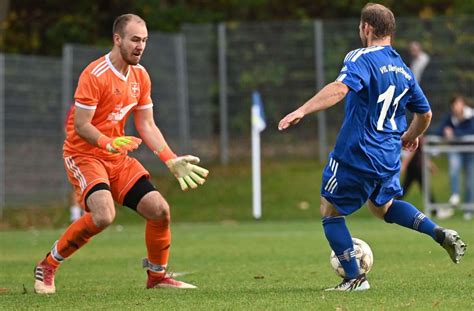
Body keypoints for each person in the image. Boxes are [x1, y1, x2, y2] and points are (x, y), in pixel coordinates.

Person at [278, 3, 467, 291]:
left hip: (357, 152)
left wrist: (302, 110)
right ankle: (438, 232)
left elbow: (340, 89)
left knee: (330, 211)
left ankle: (354, 278)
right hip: (388, 153)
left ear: (366, 28)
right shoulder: (403, 70)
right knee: (383, 207)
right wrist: (410, 135)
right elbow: (425, 114)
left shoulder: (361, 57)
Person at [34, 14, 209, 294]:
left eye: (145, 41)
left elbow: (147, 125)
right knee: (103, 215)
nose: (140, 46)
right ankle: (48, 265)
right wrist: (106, 143)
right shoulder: (94, 74)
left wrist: (171, 159)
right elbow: (81, 125)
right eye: (135, 40)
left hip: (116, 157)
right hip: (85, 155)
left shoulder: (141, 76)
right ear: (118, 39)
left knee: (159, 210)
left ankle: (157, 277)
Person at [438, 95, 474, 220]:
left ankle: (468, 210)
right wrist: (445, 131)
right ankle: (455, 194)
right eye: (454, 105)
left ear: (463, 104)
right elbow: (439, 129)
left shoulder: (471, 116)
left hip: (470, 151)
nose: (456, 107)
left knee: (470, 181)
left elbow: (470, 130)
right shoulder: (449, 117)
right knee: (454, 169)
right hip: (455, 149)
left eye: (458, 104)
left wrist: (454, 133)